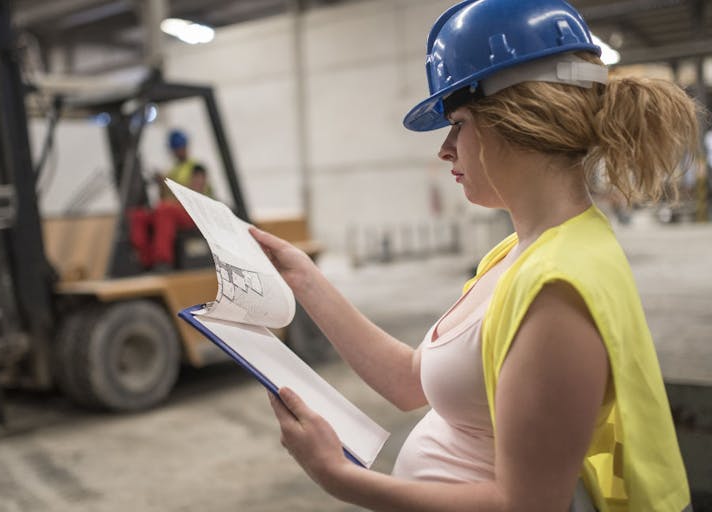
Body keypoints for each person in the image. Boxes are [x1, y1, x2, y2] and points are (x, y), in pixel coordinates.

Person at [250, 0, 701, 510]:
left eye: (457, 123)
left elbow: (526, 506)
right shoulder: (523, 252)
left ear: (519, 120)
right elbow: (410, 380)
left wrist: (339, 477)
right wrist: (303, 277)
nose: (445, 149)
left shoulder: (557, 292)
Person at [128, 129, 213, 270]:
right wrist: (161, 184)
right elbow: (163, 198)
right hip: (175, 211)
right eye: (175, 148)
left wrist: (169, 184)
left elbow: (195, 193)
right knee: (139, 215)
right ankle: (144, 261)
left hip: (195, 213)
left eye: (180, 147)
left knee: (164, 210)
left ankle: (163, 262)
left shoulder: (196, 167)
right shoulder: (172, 170)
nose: (178, 151)